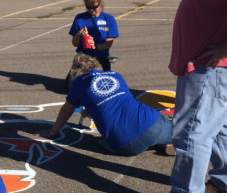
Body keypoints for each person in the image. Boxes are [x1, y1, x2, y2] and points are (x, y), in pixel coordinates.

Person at [36, 54, 174, 156]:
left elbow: (66, 110)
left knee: (102, 141)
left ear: (76, 72)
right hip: (152, 122)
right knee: (179, 134)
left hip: (127, 143)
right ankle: (165, 142)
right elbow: (117, 104)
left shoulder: (78, 83)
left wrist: (52, 131)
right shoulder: (115, 75)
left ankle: (152, 143)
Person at [168, 0, 227, 193]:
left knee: (192, 134)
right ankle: (224, 180)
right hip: (210, 68)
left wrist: (224, 47)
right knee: (219, 128)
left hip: (209, 68)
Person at [69, 0, 118, 72]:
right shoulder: (79, 18)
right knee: (73, 84)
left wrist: (95, 46)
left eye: (94, 7)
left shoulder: (109, 19)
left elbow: (108, 43)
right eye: (88, 7)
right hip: (84, 58)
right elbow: (74, 43)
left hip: (101, 57)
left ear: (100, 2)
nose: (91, 10)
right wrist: (79, 34)